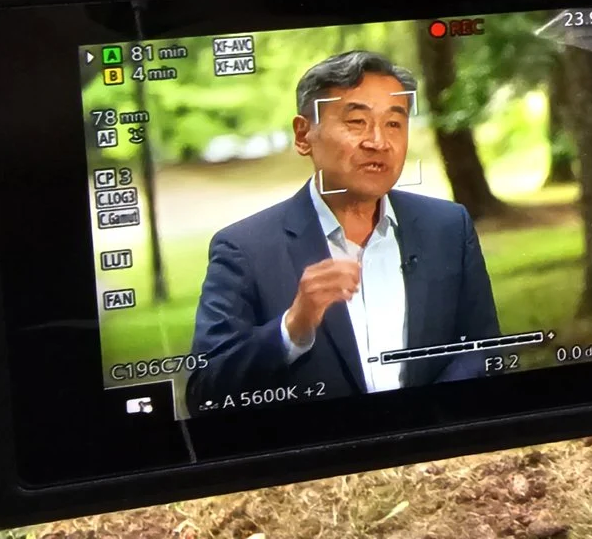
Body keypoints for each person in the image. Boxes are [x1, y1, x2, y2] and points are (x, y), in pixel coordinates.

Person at [189, 53, 500, 404]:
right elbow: (205, 393)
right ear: (303, 135)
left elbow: (483, 349)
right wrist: (293, 327)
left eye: (394, 123)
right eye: (357, 122)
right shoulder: (245, 250)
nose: (378, 141)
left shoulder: (448, 227)